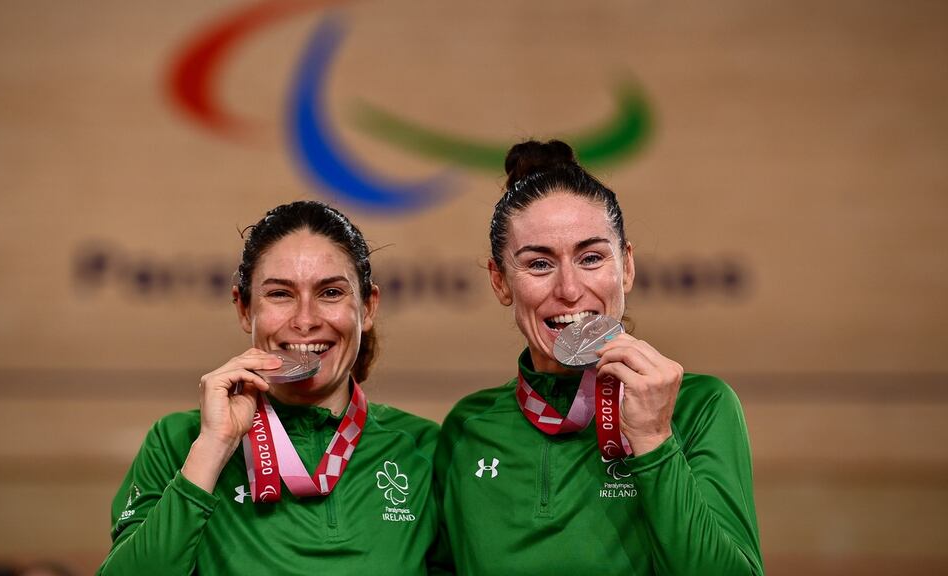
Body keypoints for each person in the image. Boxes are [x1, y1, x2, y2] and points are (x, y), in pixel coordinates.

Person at [433, 140, 764, 575]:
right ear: (500, 282)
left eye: (591, 258)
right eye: (538, 264)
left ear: (626, 267)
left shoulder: (700, 406)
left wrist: (653, 439)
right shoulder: (466, 429)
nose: (569, 289)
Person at [98, 201, 441, 575]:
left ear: (368, 307)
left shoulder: (425, 449)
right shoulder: (178, 442)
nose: (306, 320)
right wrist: (213, 448)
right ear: (244, 309)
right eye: (280, 294)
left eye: (330, 293)